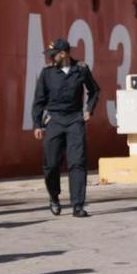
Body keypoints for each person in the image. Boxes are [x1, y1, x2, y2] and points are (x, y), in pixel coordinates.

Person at [32, 36, 101, 217]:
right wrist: (37, 124)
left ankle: (77, 205)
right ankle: (54, 196)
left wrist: (89, 109)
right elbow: (39, 100)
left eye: (53, 55)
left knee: (77, 162)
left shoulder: (81, 70)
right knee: (51, 164)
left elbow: (94, 90)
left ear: (63, 54)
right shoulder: (47, 73)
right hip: (54, 121)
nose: (50, 58)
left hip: (74, 120)